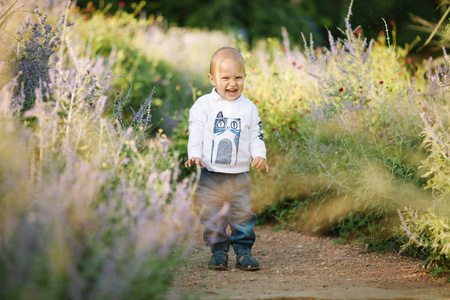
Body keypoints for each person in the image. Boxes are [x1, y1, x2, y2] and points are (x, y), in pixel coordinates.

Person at [185, 47, 269, 271]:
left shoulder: (248, 108)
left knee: (242, 216)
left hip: (239, 175)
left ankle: (243, 252)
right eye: (225, 78)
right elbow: (196, 132)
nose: (232, 84)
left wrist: (259, 154)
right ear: (212, 79)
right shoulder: (204, 105)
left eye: (238, 78)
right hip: (211, 174)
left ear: (244, 77)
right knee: (212, 215)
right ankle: (219, 252)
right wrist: (194, 154)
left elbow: (255, 135)